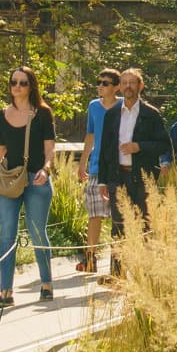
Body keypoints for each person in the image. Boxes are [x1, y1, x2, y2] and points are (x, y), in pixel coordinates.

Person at [0, 65, 58, 308]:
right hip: (9, 178)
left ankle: (46, 284)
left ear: (31, 86)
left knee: (37, 230)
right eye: (13, 82)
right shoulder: (0, 115)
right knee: (7, 233)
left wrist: (46, 169)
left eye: (22, 83)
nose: (17, 87)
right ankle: (5, 291)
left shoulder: (42, 113)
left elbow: (50, 149)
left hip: (36, 178)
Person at [97, 65, 173, 252]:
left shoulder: (151, 114)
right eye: (124, 83)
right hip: (117, 177)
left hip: (142, 178)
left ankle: (145, 275)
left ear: (140, 86)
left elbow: (164, 144)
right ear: (119, 87)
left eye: (132, 82)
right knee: (118, 227)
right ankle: (117, 276)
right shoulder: (112, 114)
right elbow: (105, 148)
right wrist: (102, 180)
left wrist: (139, 147)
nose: (128, 86)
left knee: (145, 226)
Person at [82, 68, 120, 271]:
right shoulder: (93, 106)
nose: (100, 86)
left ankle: (117, 262)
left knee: (117, 216)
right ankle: (90, 257)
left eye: (105, 83)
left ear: (116, 87)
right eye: (99, 82)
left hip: (117, 167)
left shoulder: (123, 106)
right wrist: (82, 163)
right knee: (94, 214)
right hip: (96, 167)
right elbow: (90, 135)